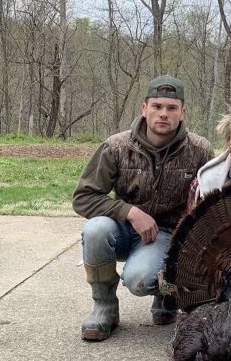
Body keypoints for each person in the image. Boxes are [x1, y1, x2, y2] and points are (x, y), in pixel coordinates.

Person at [73, 76, 213, 341]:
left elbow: (210, 200)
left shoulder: (199, 150)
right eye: (157, 106)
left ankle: (165, 291)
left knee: (139, 280)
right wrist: (130, 212)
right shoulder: (116, 147)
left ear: (182, 112)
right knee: (95, 230)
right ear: (144, 108)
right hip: (123, 230)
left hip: (167, 236)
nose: (163, 114)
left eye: (171, 108)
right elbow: (83, 198)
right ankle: (104, 307)